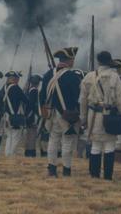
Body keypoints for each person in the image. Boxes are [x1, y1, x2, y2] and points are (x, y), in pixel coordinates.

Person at [80, 52, 121, 180]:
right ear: (109, 61)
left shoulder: (88, 76)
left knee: (96, 145)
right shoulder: (115, 77)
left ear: (98, 61)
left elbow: (83, 101)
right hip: (110, 116)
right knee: (109, 145)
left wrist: (83, 118)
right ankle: (107, 177)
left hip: (93, 116)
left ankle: (94, 175)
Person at [40, 47, 82, 177]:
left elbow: (42, 96)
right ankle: (66, 170)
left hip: (51, 114)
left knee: (53, 140)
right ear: (69, 60)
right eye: (72, 59)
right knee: (67, 142)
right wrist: (80, 114)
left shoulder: (48, 74)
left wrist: (44, 112)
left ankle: (52, 169)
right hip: (67, 114)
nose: (73, 62)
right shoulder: (72, 76)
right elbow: (78, 98)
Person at [3, 71, 28, 157]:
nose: (18, 80)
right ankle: (11, 155)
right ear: (14, 78)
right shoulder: (16, 88)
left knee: (9, 137)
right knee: (15, 137)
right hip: (16, 116)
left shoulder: (4, 88)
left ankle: (7, 154)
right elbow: (26, 100)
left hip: (7, 116)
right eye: (17, 78)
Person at [24, 74, 42, 157]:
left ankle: (29, 151)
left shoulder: (30, 90)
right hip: (32, 116)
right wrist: (37, 115)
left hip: (30, 115)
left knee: (30, 135)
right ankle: (30, 152)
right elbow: (32, 105)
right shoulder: (34, 91)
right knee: (32, 135)